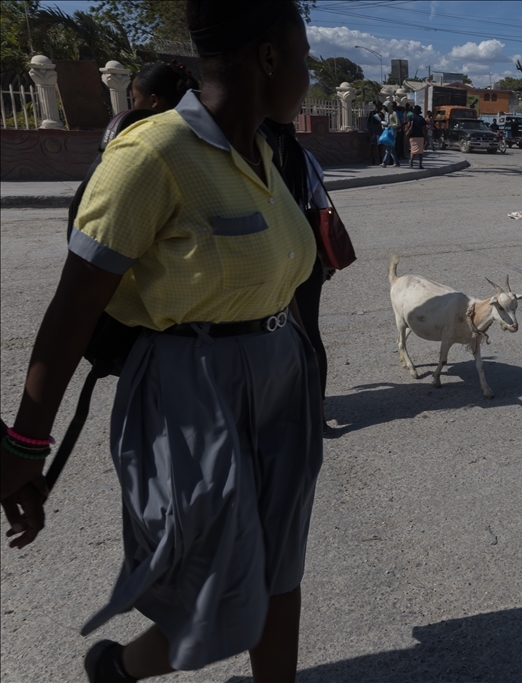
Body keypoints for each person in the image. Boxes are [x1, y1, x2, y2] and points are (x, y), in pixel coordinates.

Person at [1, 1, 323, 681]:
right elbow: (73, 306)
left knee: (280, 567)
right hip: (193, 387)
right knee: (219, 590)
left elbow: (283, 280)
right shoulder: (151, 155)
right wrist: (26, 443)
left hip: (281, 378)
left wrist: (301, 366)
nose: (308, 73)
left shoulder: (266, 153)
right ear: (269, 58)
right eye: (304, 57)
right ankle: (118, 668)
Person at [262, 118, 334, 431]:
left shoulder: (252, 155)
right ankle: (318, 415)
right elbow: (321, 207)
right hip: (305, 253)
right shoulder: (305, 159)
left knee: (264, 335)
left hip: (265, 254)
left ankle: (276, 408)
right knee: (309, 333)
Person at [131, 61, 199, 112]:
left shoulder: (150, 127)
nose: (133, 106)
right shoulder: (196, 120)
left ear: (153, 101)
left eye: (135, 99)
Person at [406, 104, 427, 169]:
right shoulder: (421, 118)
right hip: (420, 136)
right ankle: (420, 164)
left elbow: (408, 125)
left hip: (412, 136)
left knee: (413, 150)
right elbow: (424, 129)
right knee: (420, 151)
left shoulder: (411, 117)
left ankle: (411, 161)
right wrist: (427, 138)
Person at [381, 101, 398, 167]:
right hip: (387, 133)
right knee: (391, 149)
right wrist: (383, 125)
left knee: (388, 149)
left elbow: (397, 124)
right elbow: (386, 122)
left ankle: (384, 162)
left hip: (392, 133)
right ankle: (396, 162)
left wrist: (390, 125)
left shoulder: (394, 113)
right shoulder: (386, 114)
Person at [366, 101, 383, 165]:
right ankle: (373, 159)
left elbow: (383, 122)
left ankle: (381, 159)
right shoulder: (372, 113)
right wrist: (369, 131)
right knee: (373, 145)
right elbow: (368, 122)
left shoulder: (381, 114)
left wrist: (381, 117)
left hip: (379, 130)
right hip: (373, 130)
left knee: (380, 145)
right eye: (380, 106)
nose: (381, 107)